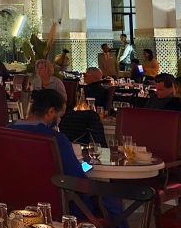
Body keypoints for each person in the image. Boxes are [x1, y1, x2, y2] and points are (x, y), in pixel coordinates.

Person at [10, 89, 122, 221]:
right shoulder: (55, 139)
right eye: (60, 116)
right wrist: (86, 165)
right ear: (51, 111)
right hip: (61, 207)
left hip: (16, 201)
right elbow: (77, 179)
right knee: (112, 200)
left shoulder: (6, 131)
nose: (59, 121)